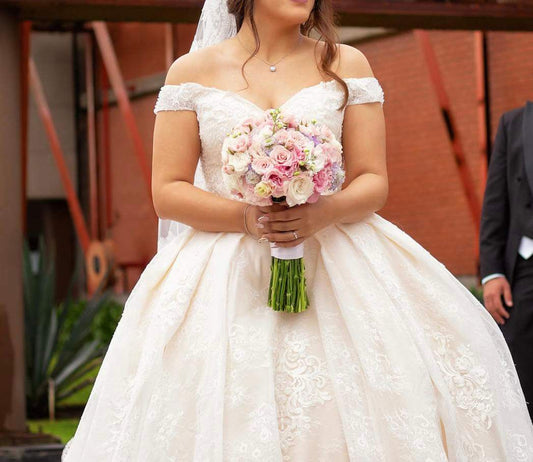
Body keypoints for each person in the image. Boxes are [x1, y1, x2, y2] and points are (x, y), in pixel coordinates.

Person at [62, 0, 533, 460]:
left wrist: (322, 213)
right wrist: (248, 218)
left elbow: (373, 180)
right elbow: (167, 191)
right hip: (222, 273)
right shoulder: (190, 73)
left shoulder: (346, 63)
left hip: (337, 259)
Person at [480, 101, 533, 420]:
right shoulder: (513, 123)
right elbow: (495, 202)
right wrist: (492, 272)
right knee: (521, 374)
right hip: (525, 268)